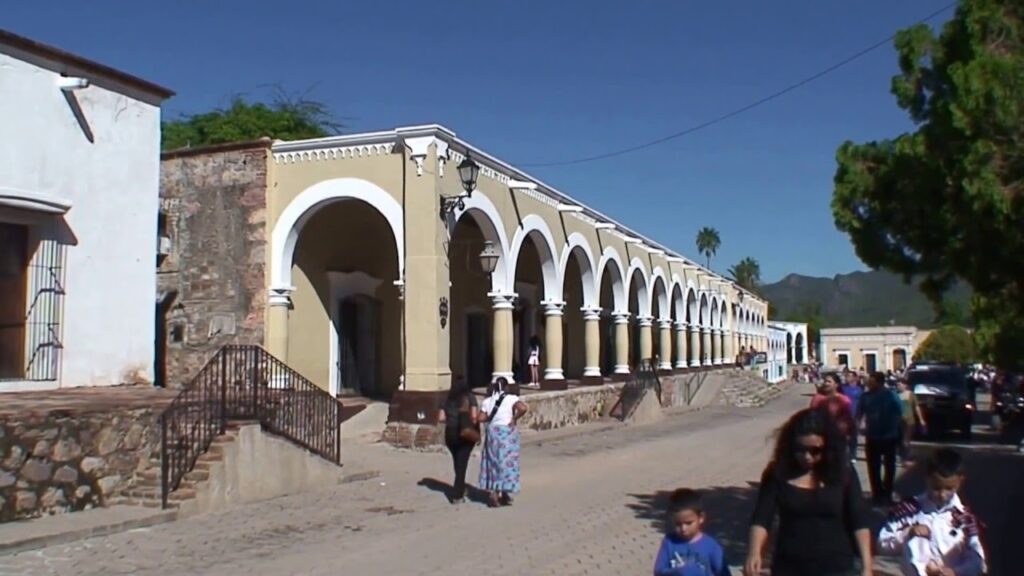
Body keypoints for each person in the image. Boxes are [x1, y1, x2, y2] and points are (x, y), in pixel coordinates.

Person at [744, 408, 872, 576]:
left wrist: (867, 566)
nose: (807, 456)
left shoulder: (844, 473)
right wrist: (754, 552)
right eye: (800, 449)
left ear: (827, 447)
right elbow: (762, 517)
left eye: (815, 451)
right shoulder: (777, 473)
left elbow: (859, 520)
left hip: (838, 567)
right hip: (789, 566)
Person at [878, 448, 987, 576]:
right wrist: (908, 532)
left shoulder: (964, 517)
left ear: (960, 481)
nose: (942, 495)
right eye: (936, 488)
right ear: (927, 478)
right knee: (918, 538)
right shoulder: (910, 510)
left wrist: (955, 572)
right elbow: (882, 544)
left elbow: (977, 559)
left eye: (949, 488)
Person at [653, 488, 731, 576]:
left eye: (688, 523)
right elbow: (658, 571)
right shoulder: (669, 542)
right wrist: (677, 572)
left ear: (701, 518)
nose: (683, 528)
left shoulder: (711, 546)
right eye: (678, 524)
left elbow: (723, 572)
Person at [479, 377, 528, 507]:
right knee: (507, 463)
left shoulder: (488, 401)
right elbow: (523, 408)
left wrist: (490, 417)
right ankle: (504, 489)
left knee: (494, 462)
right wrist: (514, 418)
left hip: (493, 435)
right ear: (506, 387)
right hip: (507, 435)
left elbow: (481, 418)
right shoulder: (511, 398)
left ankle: (496, 491)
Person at [859, 371, 905, 506]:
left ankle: (887, 492)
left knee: (889, 466)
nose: (868, 383)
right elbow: (859, 414)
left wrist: (904, 436)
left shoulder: (891, 395)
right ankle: (877, 493)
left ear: (879, 382)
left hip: (890, 435)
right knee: (873, 466)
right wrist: (858, 426)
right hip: (872, 436)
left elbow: (901, 415)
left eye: (871, 381)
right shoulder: (865, 396)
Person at [436, 378, 479, 504]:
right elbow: (474, 417)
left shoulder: (446, 398)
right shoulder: (470, 397)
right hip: (464, 433)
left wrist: (451, 417)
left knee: (458, 462)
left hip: (450, 433)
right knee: (462, 464)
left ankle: (460, 486)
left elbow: (441, 418)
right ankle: (457, 494)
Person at [810, 373, 855, 446]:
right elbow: (812, 417)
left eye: (829, 381)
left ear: (836, 384)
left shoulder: (844, 400)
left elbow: (847, 419)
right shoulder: (817, 398)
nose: (826, 383)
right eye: (825, 381)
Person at [896, 378, 926, 464]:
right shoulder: (896, 395)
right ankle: (902, 456)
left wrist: (921, 420)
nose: (898, 386)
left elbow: (916, 407)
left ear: (905, 385)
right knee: (899, 440)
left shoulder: (911, 395)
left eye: (900, 384)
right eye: (897, 385)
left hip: (909, 421)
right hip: (898, 421)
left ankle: (905, 457)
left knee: (905, 440)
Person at [840, 372, 864, 461]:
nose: (846, 377)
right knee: (843, 436)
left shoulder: (860, 390)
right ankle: (843, 454)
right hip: (844, 416)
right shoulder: (842, 388)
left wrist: (863, 418)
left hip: (855, 416)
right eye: (846, 376)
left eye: (849, 376)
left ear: (854, 378)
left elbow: (862, 404)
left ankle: (853, 455)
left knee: (853, 437)